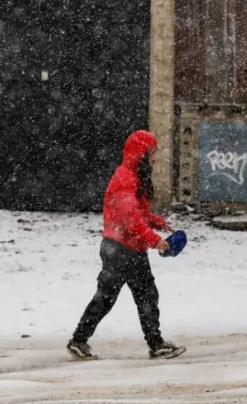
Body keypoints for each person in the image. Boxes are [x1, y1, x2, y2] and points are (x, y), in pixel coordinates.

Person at [67, 130, 185, 360]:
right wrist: (156, 242)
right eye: (151, 153)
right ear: (140, 154)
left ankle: (155, 343)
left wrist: (157, 222)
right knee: (112, 298)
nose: (154, 158)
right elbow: (130, 222)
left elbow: (138, 213)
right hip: (119, 250)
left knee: (142, 296)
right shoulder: (124, 178)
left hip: (130, 249)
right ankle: (79, 340)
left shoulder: (134, 177)